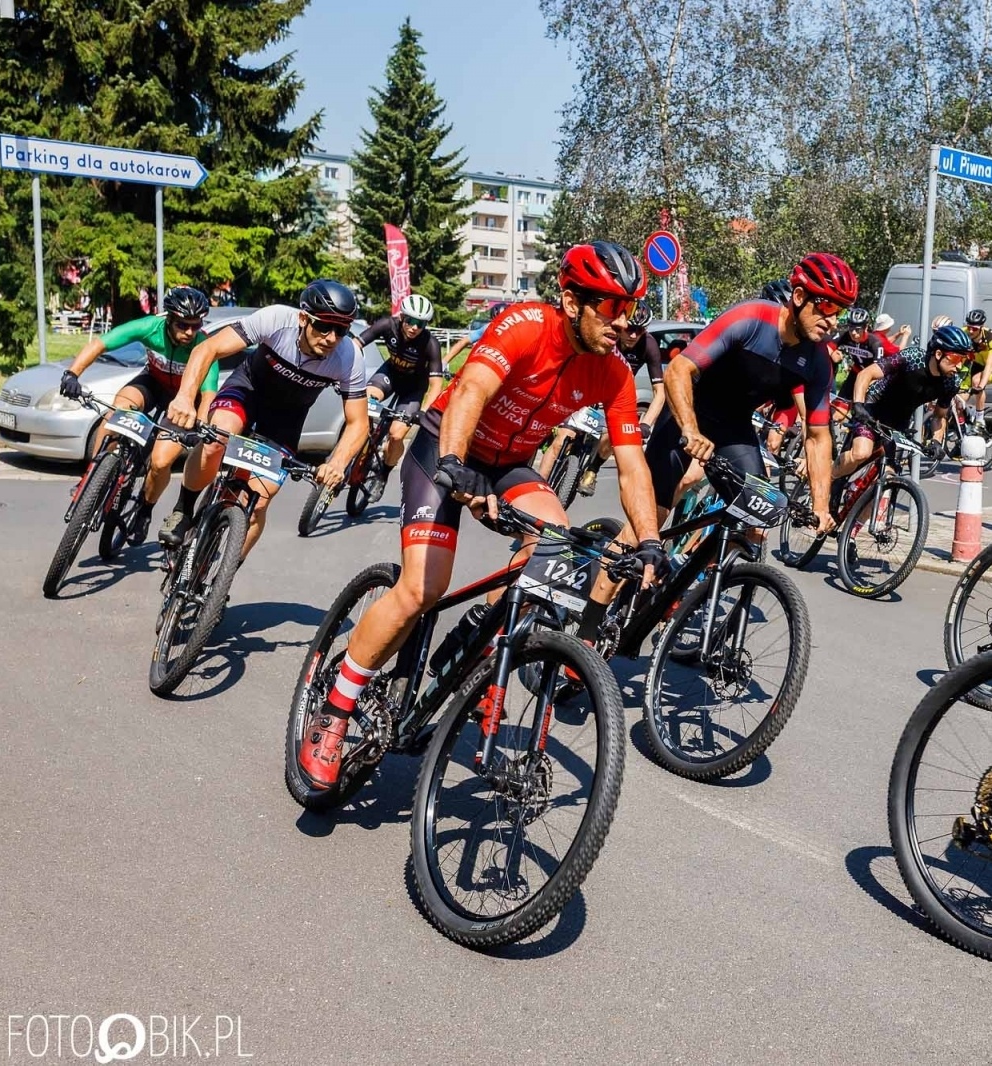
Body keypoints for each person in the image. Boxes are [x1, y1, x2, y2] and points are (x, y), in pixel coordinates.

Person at [297, 242, 665, 790]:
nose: (624, 323)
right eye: (613, 308)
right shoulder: (524, 325)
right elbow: (469, 390)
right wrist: (453, 464)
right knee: (423, 587)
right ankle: (336, 706)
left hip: (511, 465)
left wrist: (650, 540)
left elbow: (632, 465)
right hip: (442, 449)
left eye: (631, 310)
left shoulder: (612, 373)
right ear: (571, 301)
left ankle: (478, 642)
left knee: (556, 544)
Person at [581, 252, 855, 637]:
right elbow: (680, 370)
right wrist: (691, 431)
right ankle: (587, 630)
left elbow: (818, 435)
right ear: (797, 297)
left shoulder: (819, 361)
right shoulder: (750, 319)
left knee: (757, 521)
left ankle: (691, 590)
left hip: (734, 430)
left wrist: (822, 506)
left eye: (839, 311)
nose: (832, 320)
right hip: (686, 415)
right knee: (648, 524)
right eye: (826, 306)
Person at [161, 280, 372, 558]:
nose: (332, 337)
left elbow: (359, 422)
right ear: (303, 318)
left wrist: (337, 463)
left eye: (341, 330)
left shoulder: (349, 358)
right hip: (248, 392)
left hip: (286, 418)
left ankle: (221, 578)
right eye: (323, 326)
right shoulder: (275, 320)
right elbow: (207, 349)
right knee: (217, 439)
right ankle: (184, 510)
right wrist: (186, 398)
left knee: (259, 502)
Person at [57, 287, 218, 543]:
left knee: (161, 462)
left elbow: (208, 394)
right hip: (152, 384)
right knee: (114, 414)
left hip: (183, 401)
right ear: (168, 319)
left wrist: (200, 425)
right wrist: (72, 374)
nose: (189, 331)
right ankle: (92, 477)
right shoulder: (150, 327)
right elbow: (101, 343)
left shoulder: (203, 346)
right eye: (183, 325)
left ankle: (145, 509)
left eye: (195, 325)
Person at [833, 324, 976, 484]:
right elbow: (866, 373)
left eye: (964, 360)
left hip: (900, 421)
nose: (959, 366)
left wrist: (936, 441)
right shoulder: (912, 357)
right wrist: (858, 404)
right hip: (874, 406)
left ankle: (868, 502)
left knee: (888, 476)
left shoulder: (951, 382)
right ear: (938, 353)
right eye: (956, 359)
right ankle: (827, 478)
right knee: (861, 453)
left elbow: (939, 416)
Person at [558, 302, 669, 496]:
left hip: (615, 392)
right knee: (561, 437)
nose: (633, 335)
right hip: (589, 384)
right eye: (630, 329)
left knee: (616, 433)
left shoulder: (649, 345)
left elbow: (659, 393)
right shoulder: (609, 336)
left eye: (640, 330)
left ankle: (593, 469)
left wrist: (646, 424)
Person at [355, 293, 447, 477]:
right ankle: (362, 442)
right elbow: (355, 344)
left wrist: (425, 411)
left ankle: (384, 473)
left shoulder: (430, 344)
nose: (414, 327)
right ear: (402, 317)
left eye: (420, 324)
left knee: (396, 435)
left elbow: (436, 383)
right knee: (364, 400)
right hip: (390, 374)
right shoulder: (387, 325)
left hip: (414, 387)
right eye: (410, 321)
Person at [957, 309, 992, 419]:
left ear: (982, 327)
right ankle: (961, 424)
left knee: (976, 381)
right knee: (959, 398)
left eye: (974, 329)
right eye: (969, 327)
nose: (970, 331)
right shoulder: (963, 332)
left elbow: (989, 364)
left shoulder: (991, 338)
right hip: (976, 364)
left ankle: (980, 419)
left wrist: (980, 386)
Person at [833, 306, 884, 393]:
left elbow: (879, 370)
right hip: (855, 372)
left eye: (857, 329)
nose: (853, 332)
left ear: (866, 328)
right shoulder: (845, 336)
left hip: (871, 377)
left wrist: (868, 384)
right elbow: (829, 345)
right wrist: (833, 353)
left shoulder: (875, 343)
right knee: (841, 401)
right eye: (851, 328)